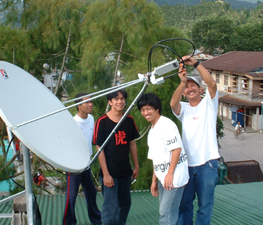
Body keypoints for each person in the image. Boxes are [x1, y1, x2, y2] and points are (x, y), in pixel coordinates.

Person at [170, 56, 220, 225]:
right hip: (187, 165)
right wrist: (182, 82)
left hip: (208, 163)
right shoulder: (183, 109)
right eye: (188, 87)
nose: (190, 89)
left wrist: (197, 64)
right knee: (185, 204)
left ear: (200, 89)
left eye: (193, 86)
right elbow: (173, 104)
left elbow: (212, 85)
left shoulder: (209, 104)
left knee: (205, 206)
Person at [137, 93, 189, 225]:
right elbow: (156, 158)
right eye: (143, 110)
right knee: (169, 214)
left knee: (166, 214)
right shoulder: (152, 130)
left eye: (148, 109)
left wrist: (170, 173)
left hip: (174, 179)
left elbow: (176, 149)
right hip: (163, 178)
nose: (146, 112)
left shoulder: (166, 125)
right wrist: (154, 181)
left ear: (157, 108)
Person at [93, 89, 139, 225]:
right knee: (110, 209)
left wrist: (136, 166)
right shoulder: (102, 122)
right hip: (110, 173)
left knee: (125, 205)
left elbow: (132, 144)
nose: (120, 102)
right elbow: (99, 148)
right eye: (116, 99)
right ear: (110, 102)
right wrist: (106, 174)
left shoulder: (129, 120)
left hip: (125, 172)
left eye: (122, 99)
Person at [63, 93, 101, 225]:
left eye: (91, 102)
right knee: (71, 196)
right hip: (74, 165)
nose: (90, 104)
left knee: (91, 192)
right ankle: (69, 222)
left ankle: (96, 219)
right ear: (79, 105)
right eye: (87, 102)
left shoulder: (91, 119)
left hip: (87, 164)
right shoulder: (72, 123)